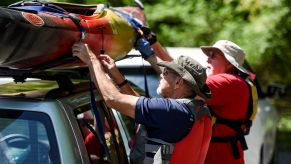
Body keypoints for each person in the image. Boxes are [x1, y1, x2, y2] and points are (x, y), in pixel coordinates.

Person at [72, 41, 212, 163]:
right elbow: (142, 106)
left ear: (178, 82)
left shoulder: (171, 111)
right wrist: (117, 76)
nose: (162, 74)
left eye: (167, 72)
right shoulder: (194, 111)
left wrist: (92, 60)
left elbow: (113, 99)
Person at [200, 40, 258, 164]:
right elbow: (179, 78)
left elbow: (181, 85)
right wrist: (155, 46)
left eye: (213, 56)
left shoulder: (228, 82)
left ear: (229, 63)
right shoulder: (237, 82)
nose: (207, 60)